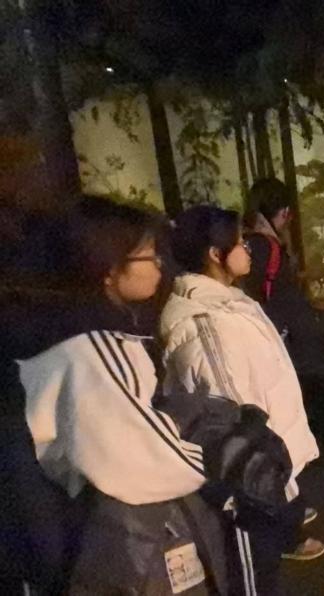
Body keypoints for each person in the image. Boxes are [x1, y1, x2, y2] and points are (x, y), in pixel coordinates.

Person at [8, 196, 243, 594]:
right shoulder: (90, 348)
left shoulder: (68, 330)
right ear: (107, 268)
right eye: (148, 256)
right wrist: (227, 465)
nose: (159, 265)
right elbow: (142, 454)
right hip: (99, 543)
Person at [160, 206, 324, 593]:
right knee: (253, 578)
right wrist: (268, 486)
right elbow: (229, 419)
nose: (248, 250)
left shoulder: (228, 303)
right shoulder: (205, 323)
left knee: (265, 569)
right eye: (239, 243)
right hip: (247, 486)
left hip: (263, 469)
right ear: (215, 254)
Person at [243, 178, 324, 375]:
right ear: (285, 212)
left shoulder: (246, 245)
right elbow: (284, 298)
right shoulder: (268, 247)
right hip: (287, 349)